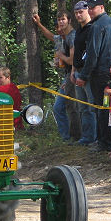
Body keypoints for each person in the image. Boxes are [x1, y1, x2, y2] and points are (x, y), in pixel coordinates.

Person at [75, 0, 111, 152]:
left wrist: (83, 75)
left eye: (93, 7)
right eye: (88, 7)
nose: (90, 10)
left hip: (102, 73)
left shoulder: (97, 26)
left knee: (102, 107)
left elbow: (93, 53)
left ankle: (105, 142)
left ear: (101, 7)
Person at [33, 10, 79, 142]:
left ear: (68, 21)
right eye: (58, 24)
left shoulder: (73, 37)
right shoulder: (59, 39)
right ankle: (67, 137)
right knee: (60, 108)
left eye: (62, 21)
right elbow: (50, 36)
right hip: (67, 76)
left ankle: (78, 136)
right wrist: (39, 24)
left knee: (75, 107)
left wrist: (61, 57)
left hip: (75, 75)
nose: (59, 29)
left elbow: (72, 60)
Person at [70, 0, 97, 146]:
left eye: (81, 12)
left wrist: (85, 75)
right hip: (78, 71)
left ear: (88, 11)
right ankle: (87, 137)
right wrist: (73, 70)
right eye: (76, 13)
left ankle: (94, 138)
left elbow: (91, 54)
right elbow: (76, 52)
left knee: (92, 107)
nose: (79, 15)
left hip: (89, 73)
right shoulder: (79, 30)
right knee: (82, 107)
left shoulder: (92, 28)